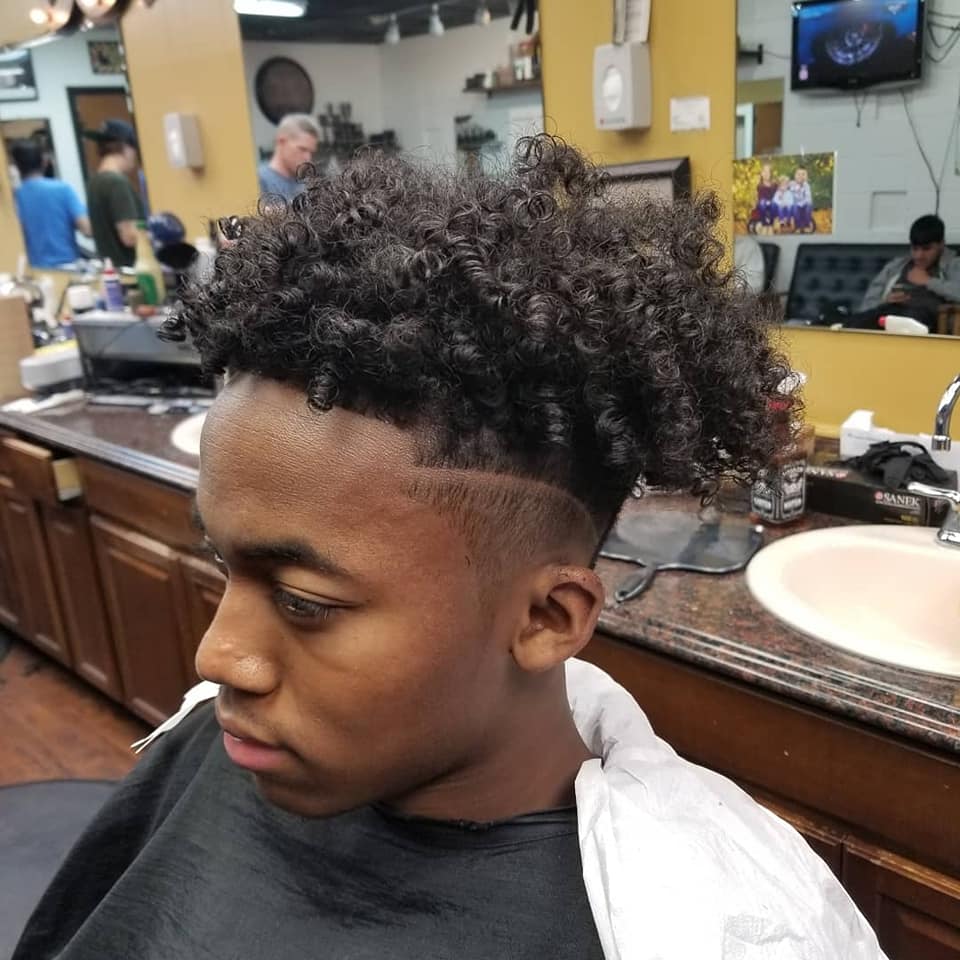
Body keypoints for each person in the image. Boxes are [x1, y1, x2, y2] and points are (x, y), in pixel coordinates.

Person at [13, 136, 885, 960]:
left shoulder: (716, 922)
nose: (216, 659)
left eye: (305, 603)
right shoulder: (229, 744)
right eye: (222, 565)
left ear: (548, 619)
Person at [843, 214, 960, 332]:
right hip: (889, 313)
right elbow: (867, 305)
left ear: (941, 244)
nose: (919, 256)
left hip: (924, 318)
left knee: (907, 321)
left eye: (926, 249)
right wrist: (885, 300)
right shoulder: (896, 266)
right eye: (915, 249)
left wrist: (929, 281)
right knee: (851, 323)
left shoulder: (953, 264)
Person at [10, 141, 91, 268]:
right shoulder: (62, 189)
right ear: (44, 161)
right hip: (69, 267)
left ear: (16, 166)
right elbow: (87, 229)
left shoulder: (14, 198)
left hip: (34, 270)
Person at [82, 118, 144, 268]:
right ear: (126, 148)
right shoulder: (117, 183)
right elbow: (129, 237)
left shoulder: (94, 182)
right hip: (130, 269)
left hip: (110, 270)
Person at [257, 113, 320, 202]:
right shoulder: (259, 180)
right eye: (302, 149)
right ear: (281, 142)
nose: (308, 157)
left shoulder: (304, 185)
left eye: (311, 152)